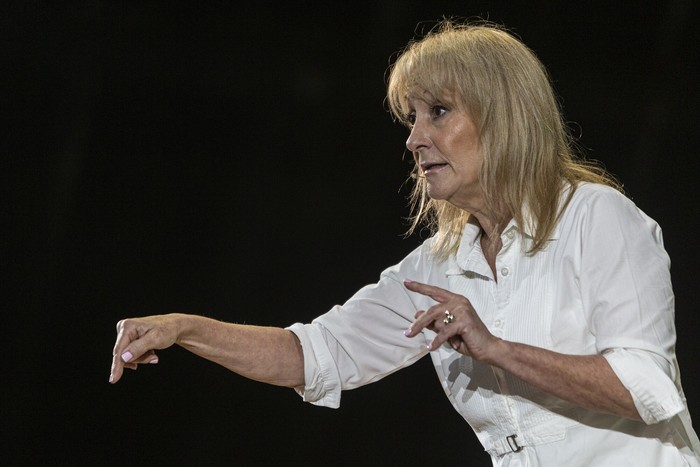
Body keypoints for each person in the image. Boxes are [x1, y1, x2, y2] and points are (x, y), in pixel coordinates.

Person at [109, 19, 700, 466]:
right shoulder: (440, 265)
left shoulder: (598, 219)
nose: (415, 138)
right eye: (411, 118)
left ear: (505, 119)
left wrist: (496, 348)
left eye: (438, 112)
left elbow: (648, 389)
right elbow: (317, 354)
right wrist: (186, 328)